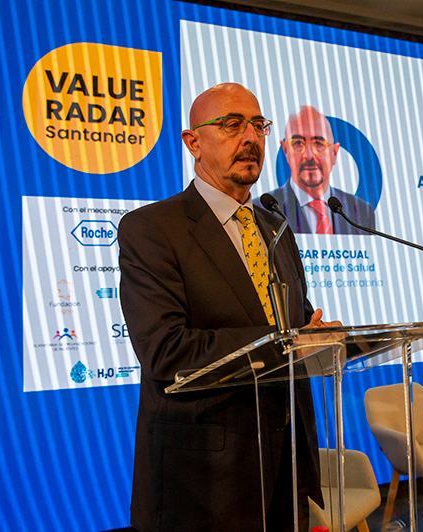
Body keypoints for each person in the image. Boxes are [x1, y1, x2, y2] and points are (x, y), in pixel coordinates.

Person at [119, 83, 334, 531]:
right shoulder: (152, 228)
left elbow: (294, 324)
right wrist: (287, 346)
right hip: (204, 481)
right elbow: (166, 351)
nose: (251, 137)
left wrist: (318, 337)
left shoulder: (276, 227)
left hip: (285, 464)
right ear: (193, 142)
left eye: (258, 124)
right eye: (232, 125)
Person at [266, 106, 375, 235]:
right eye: (298, 143)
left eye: (318, 144)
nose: (309, 155)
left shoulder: (361, 212)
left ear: (334, 153)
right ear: (285, 151)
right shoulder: (263, 210)